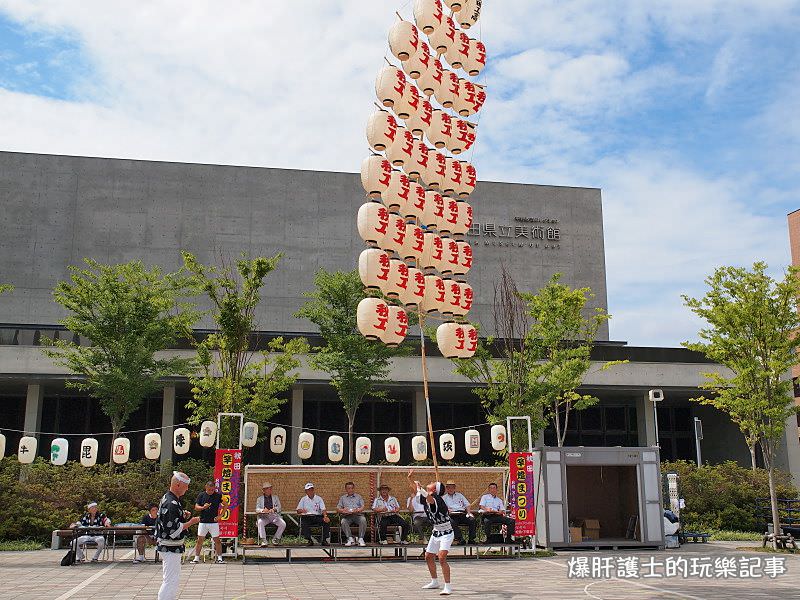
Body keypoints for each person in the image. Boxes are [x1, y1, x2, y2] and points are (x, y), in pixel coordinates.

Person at [407, 469, 453, 596]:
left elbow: (428, 497)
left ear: (434, 490)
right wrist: (410, 479)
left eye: (433, 483)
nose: (431, 482)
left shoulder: (437, 499)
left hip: (447, 532)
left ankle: (448, 586)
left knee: (442, 557)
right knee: (428, 556)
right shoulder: (427, 497)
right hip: (436, 531)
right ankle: (434, 581)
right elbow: (416, 490)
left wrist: (420, 487)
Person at [156, 471, 201, 600]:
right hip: (169, 546)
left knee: (170, 579)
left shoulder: (169, 498)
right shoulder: (171, 503)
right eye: (185, 485)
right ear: (177, 485)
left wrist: (182, 516)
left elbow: (169, 521)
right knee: (171, 580)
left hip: (167, 546)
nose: (187, 489)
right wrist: (190, 522)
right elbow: (173, 530)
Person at [191, 481, 223, 564]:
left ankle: (220, 558)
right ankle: (196, 558)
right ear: (206, 487)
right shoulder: (201, 495)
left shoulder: (218, 495)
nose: (211, 491)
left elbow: (226, 505)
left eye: (212, 490)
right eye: (209, 490)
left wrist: (220, 515)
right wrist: (203, 507)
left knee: (217, 540)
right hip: (203, 521)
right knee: (199, 540)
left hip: (214, 522)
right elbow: (196, 507)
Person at [443, 480, 476, 544]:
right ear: (446, 488)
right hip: (452, 515)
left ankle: (471, 539)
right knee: (450, 522)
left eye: (452, 487)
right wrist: (447, 511)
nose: (450, 489)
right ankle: (460, 538)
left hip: (462, 513)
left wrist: (469, 513)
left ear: (454, 488)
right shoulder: (444, 498)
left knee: (472, 520)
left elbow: (467, 505)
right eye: (449, 487)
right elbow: (442, 509)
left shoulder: (460, 495)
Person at [256, 482, 286, 546]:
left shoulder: (275, 497)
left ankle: (276, 538)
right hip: (264, 516)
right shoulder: (259, 499)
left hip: (274, 516)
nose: (269, 490)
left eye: (270, 489)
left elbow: (279, 507)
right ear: (264, 490)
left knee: (283, 524)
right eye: (267, 489)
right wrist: (263, 510)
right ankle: (263, 540)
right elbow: (257, 509)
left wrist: (274, 509)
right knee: (260, 522)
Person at [336, 481, 366, 546]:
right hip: (347, 516)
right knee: (343, 521)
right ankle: (350, 538)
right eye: (349, 488)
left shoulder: (359, 496)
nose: (350, 490)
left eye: (352, 488)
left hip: (357, 515)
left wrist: (358, 510)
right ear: (346, 489)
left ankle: (361, 538)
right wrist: (343, 510)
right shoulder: (343, 498)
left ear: (354, 488)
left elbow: (362, 507)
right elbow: (338, 508)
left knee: (363, 520)